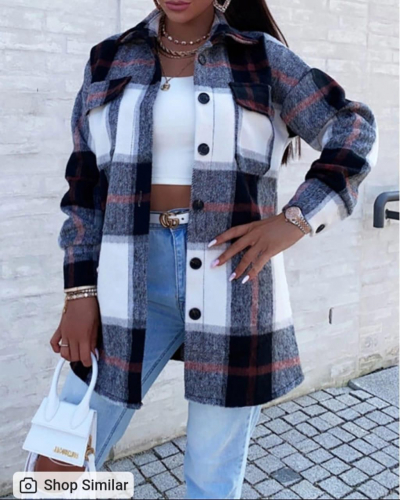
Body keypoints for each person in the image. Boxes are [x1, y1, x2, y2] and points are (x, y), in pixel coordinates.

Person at [32, 0, 379, 498]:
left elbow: (353, 127)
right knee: (59, 460)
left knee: (211, 476)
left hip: (231, 280)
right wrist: (78, 292)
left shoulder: (261, 57)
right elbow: (84, 188)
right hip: (128, 279)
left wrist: (295, 220)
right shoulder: (109, 58)